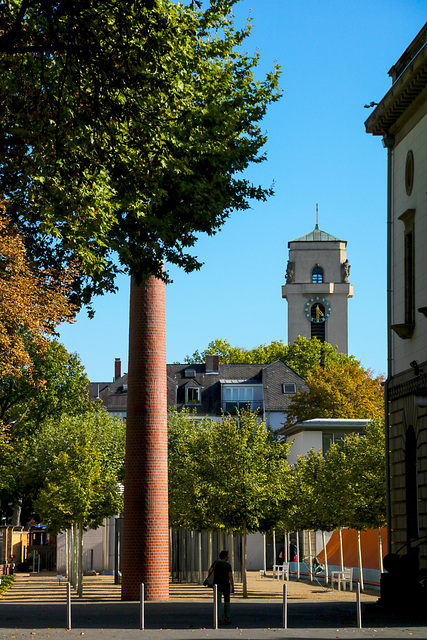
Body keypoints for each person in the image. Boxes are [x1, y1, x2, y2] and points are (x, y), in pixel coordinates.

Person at [207, 550, 234, 624]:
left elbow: (210, 570)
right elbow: (230, 576)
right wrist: (232, 585)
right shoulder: (228, 565)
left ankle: (218, 618)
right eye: (228, 555)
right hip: (225, 585)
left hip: (217, 584)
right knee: (227, 601)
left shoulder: (216, 563)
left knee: (218, 602)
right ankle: (227, 617)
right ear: (225, 557)